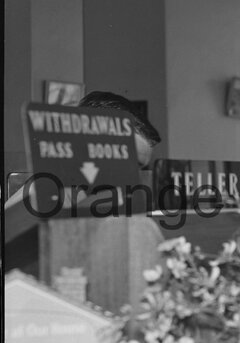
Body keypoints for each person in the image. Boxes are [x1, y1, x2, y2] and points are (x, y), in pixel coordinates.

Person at [3, 91, 161, 274]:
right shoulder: (40, 195)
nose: (133, 176)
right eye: (129, 162)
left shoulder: (106, 198)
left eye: (140, 167)